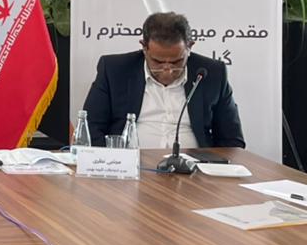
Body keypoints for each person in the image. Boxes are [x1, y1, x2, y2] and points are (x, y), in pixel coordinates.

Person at [82, 11, 245, 149]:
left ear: (190, 47)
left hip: (194, 168)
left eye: (176, 62)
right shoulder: (115, 70)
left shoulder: (212, 73)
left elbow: (232, 140)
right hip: (130, 166)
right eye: (158, 62)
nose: (168, 70)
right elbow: (91, 129)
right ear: (144, 47)